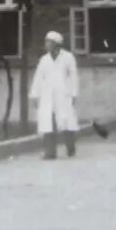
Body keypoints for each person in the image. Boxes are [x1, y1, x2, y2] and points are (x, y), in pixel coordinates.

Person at [30, 31, 79, 160]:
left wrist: (74, 93)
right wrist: (35, 95)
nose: (46, 44)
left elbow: (73, 76)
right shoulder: (44, 60)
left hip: (64, 95)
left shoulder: (68, 57)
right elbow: (38, 78)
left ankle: (70, 148)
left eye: (49, 42)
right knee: (48, 123)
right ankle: (50, 153)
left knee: (67, 122)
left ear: (56, 44)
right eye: (46, 41)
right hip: (48, 96)